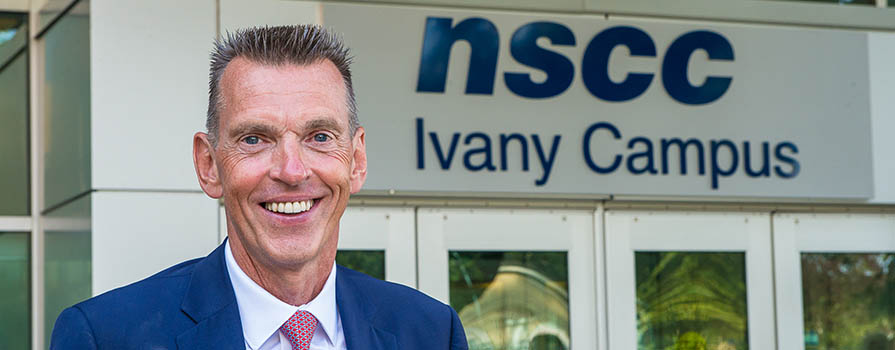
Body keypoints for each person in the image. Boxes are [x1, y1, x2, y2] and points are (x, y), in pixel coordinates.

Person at [50, 25, 468, 350]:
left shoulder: (430, 330)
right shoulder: (107, 336)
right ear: (209, 165)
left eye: (319, 136)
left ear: (356, 160)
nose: (291, 170)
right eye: (255, 139)